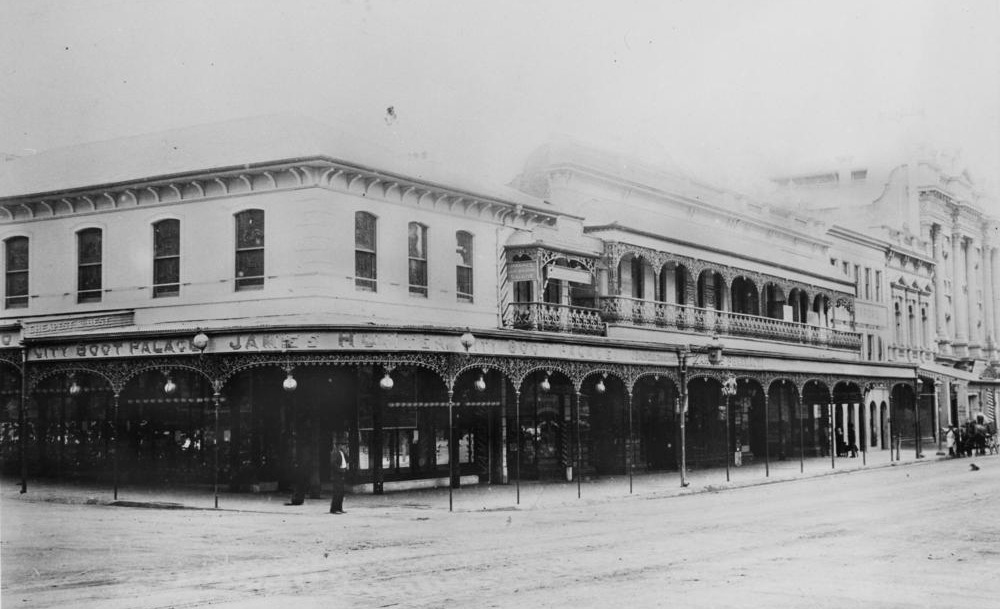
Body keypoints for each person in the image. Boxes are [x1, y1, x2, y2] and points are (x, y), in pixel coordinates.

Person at [329, 445, 348, 514]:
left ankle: (339, 508)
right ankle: (333, 509)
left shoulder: (342, 453)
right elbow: (333, 463)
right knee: (337, 492)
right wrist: (340, 470)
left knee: (341, 492)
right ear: (341, 446)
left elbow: (344, 462)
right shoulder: (336, 453)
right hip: (337, 475)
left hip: (342, 474)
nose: (346, 448)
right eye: (345, 447)